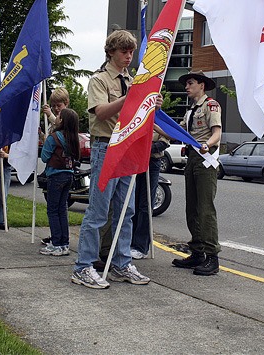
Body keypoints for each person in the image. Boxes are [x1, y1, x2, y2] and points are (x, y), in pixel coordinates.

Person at [72, 29, 159, 289]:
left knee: (126, 210)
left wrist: (149, 103)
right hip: (105, 147)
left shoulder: (131, 80)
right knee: (99, 210)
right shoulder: (99, 80)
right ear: (111, 52)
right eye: (124, 51)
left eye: (131, 52)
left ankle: (121, 263)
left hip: (127, 148)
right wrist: (129, 98)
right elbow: (100, 113)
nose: (129, 56)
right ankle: (83, 266)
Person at [172, 70, 223, 276]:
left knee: (205, 209)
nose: (186, 87)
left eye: (190, 83)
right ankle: (197, 251)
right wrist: (154, 122)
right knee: (191, 208)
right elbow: (177, 132)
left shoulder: (211, 105)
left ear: (201, 85)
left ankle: (212, 256)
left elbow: (217, 133)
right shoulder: (191, 110)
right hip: (192, 159)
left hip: (205, 158)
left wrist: (206, 144)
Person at [40, 108, 80, 256]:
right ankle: (64, 243)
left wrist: (46, 142)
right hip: (69, 175)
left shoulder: (54, 137)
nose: (56, 117)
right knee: (62, 209)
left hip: (55, 175)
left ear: (62, 120)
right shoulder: (73, 138)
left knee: (53, 210)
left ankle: (56, 243)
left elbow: (44, 157)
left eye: (58, 115)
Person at [131, 130, 170, 259]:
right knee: (133, 203)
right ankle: (130, 242)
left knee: (145, 205)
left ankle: (140, 246)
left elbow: (165, 142)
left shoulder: (159, 120)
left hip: (152, 161)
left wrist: (146, 148)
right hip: (137, 160)